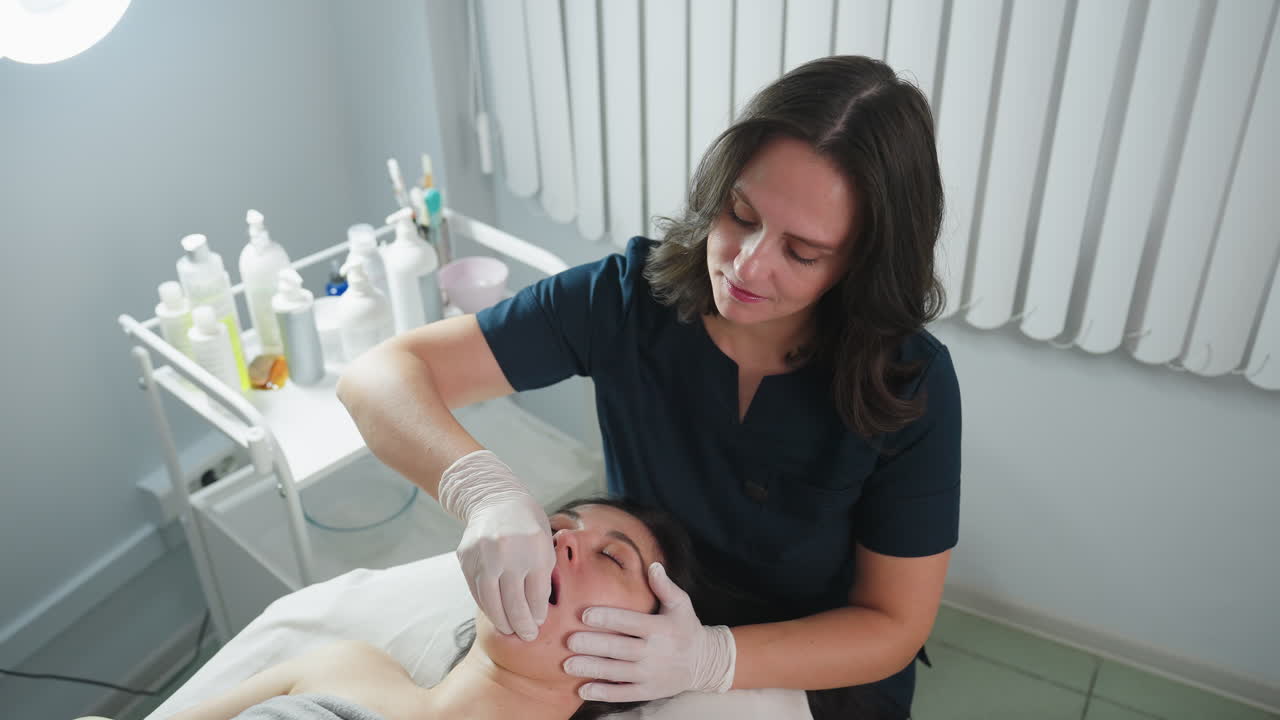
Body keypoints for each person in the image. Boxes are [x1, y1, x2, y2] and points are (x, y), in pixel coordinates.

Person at [337, 54, 960, 717]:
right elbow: (377, 379)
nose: (747, 266)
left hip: (807, 670)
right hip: (612, 631)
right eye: (740, 214)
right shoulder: (629, 300)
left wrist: (710, 658)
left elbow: (894, 625)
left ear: (861, 263)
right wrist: (483, 490)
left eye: (801, 252)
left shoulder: (905, 384)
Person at [165, 498, 702, 720]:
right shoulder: (346, 666)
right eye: (556, 526)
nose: (562, 540)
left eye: (612, 557)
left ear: (643, 652)